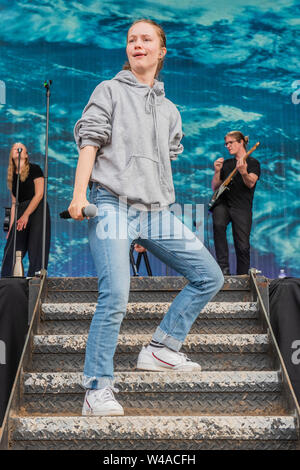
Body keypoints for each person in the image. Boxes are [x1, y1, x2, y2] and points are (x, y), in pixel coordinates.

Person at [69, 19, 224, 417]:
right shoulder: (109, 90)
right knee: (116, 294)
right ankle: (96, 389)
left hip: (157, 212)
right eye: (132, 39)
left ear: (161, 51)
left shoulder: (171, 111)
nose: (138, 44)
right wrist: (78, 195)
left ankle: (161, 348)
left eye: (147, 39)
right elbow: (90, 142)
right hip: (111, 205)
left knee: (210, 276)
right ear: (128, 49)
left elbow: (165, 158)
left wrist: (148, 212)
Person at [211, 131, 260, 275]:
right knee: (218, 224)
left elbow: (250, 183)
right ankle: (223, 270)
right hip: (224, 204)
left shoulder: (253, 163)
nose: (227, 146)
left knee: (242, 246)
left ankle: (242, 277)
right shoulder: (226, 164)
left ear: (241, 143)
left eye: (231, 142)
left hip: (242, 207)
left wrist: (244, 172)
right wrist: (217, 171)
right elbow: (215, 187)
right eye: (226, 143)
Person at [1, 142, 51, 277]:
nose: (18, 149)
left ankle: (35, 281)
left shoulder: (35, 169)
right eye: (15, 148)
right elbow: (13, 203)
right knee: (11, 249)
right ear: (11, 154)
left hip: (37, 209)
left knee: (36, 247)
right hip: (21, 209)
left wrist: (26, 215)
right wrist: (11, 226)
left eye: (21, 148)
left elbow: (40, 194)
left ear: (26, 155)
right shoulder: (12, 177)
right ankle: (7, 282)